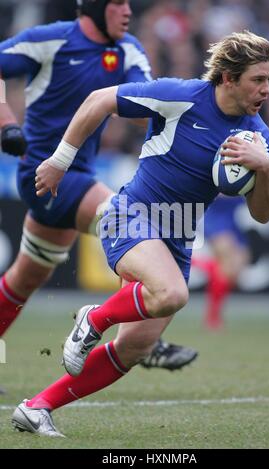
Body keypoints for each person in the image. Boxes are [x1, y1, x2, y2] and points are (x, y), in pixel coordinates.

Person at [12, 30, 269, 437]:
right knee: (172, 294)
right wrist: (60, 160)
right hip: (131, 215)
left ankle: (37, 407)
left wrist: (266, 168)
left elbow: (262, 214)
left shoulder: (259, 139)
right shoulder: (180, 95)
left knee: (135, 347)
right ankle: (93, 318)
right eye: (258, 80)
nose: (267, 89)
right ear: (227, 77)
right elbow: (99, 100)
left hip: (177, 237)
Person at [0, 0, 197, 385]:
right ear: (93, 7)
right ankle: (141, 340)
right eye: (118, 3)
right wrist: (6, 122)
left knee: (21, 281)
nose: (127, 10)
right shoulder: (51, 40)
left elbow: (147, 106)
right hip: (44, 177)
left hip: (78, 178)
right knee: (136, 230)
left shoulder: (128, 49)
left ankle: (138, 335)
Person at [192, 195, 250, 329]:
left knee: (234, 271)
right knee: (226, 264)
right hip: (213, 215)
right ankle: (213, 318)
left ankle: (192, 262)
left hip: (232, 218)